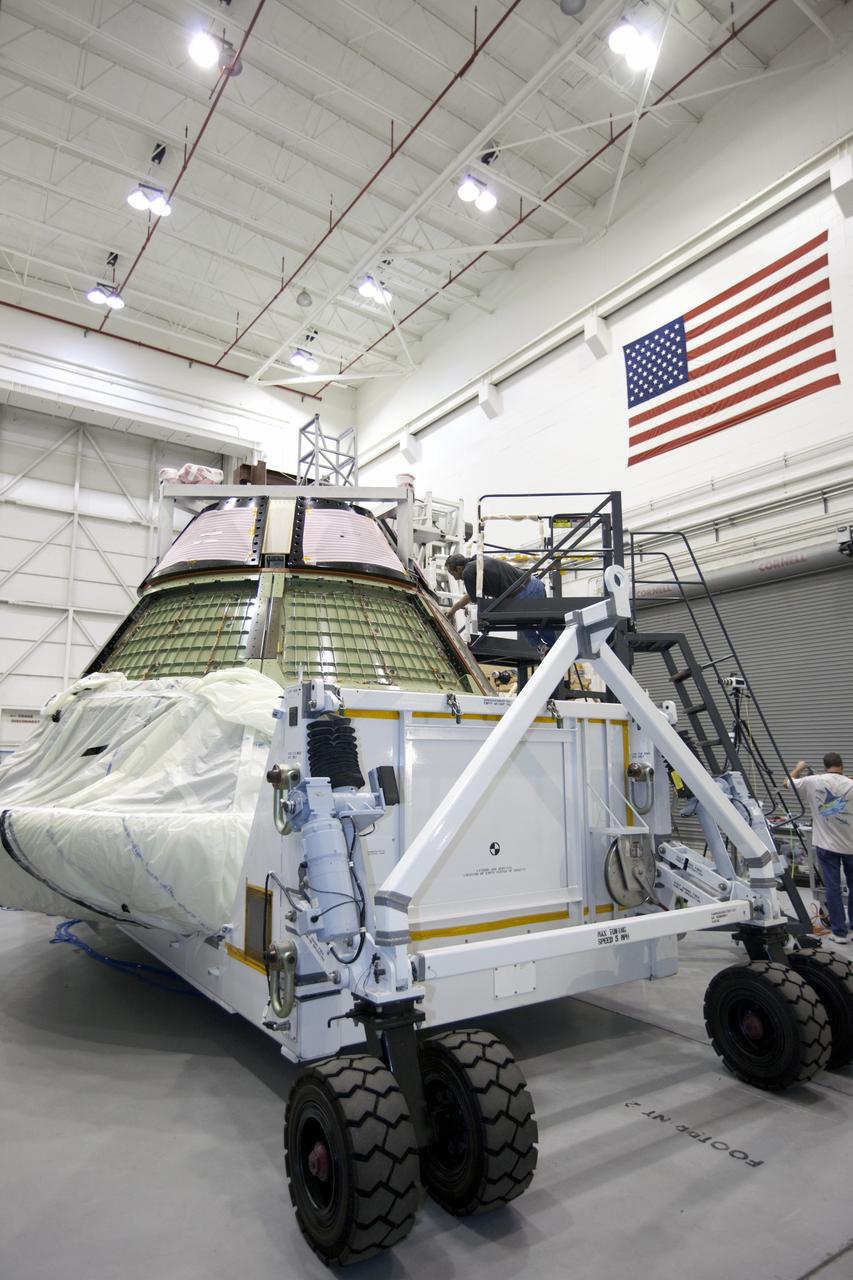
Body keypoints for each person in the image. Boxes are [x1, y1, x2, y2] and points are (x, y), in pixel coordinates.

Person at [787, 753, 853, 944]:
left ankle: (839, 933)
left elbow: (787, 782)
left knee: (832, 888)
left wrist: (799, 767)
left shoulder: (812, 781)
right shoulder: (850, 783)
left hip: (827, 845)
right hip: (851, 845)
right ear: (842, 765)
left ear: (825, 766)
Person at [444, 552, 557, 652]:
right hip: (535, 584)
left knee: (523, 622)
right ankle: (554, 647)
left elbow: (476, 601)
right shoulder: (478, 560)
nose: (455, 578)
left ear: (458, 569)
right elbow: (471, 595)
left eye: (453, 574)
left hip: (522, 595)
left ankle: (541, 646)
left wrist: (475, 614)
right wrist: (453, 610)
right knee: (542, 622)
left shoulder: (467, 572)